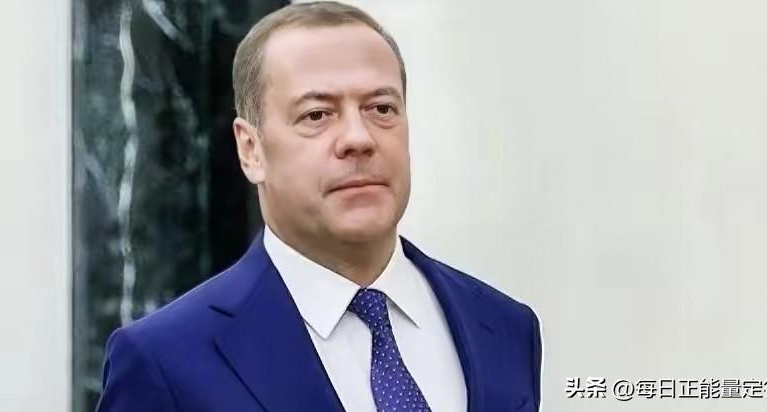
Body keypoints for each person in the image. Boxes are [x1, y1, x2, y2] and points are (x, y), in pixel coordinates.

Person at [96, 2, 542, 411]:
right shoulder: (166, 360)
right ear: (251, 150)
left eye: (381, 108)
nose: (359, 138)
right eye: (317, 115)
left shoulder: (504, 327)